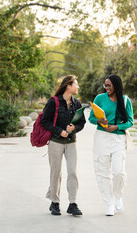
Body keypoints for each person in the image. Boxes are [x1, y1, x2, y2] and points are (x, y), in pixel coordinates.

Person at [88, 74, 134, 216]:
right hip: (101, 137)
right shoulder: (99, 99)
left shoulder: (125, 100)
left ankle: (118, 196)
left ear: (116, 85)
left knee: (118, 171)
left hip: (118, 139)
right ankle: (109, 204)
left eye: (109, 85)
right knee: (102, 173)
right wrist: (100, 121)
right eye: (105, 85)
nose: (106, 88)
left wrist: (116, 127)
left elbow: (130, 121)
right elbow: (91, 118)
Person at [41, 75, 86, 216]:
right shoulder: (53, 102)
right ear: (68, 86)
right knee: (56, 172)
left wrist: (74, 128)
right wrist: (59, 131)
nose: (78, 87)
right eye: (76, 84)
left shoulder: (76, 103)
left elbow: (82, 122)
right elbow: (45, 121)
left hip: (71, 142)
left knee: (72, 171)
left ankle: (72, 203)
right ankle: (54, 202)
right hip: (55, 142)